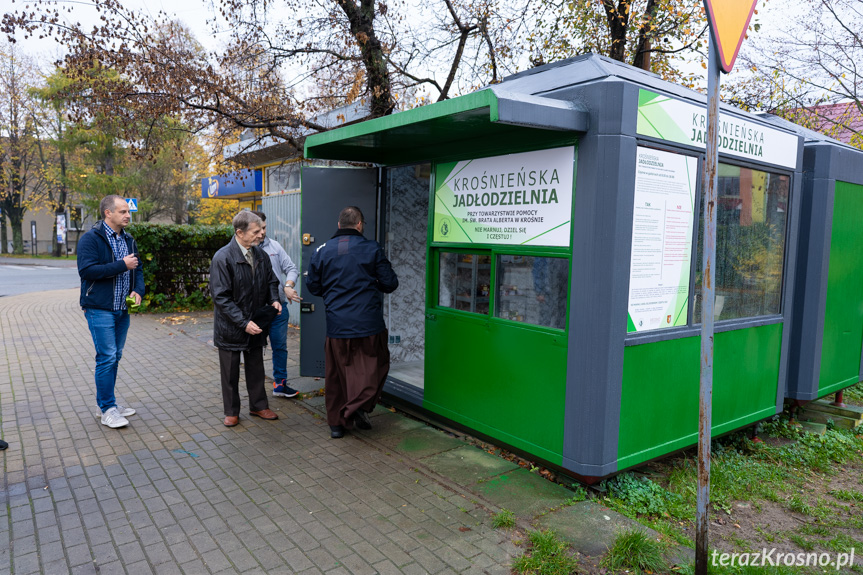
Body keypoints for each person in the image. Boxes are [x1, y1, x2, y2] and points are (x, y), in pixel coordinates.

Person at [305, 206, 399, 438]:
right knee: (375, 368)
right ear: (359, 224)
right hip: (368, 325)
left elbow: (313, 286)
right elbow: (390, 283)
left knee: (337, 375)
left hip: (337, 326)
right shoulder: (371, 248)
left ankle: (337, 425)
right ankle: (354, 410)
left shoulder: (321, 251)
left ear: (339, 225)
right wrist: (372, 282)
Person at [77, 195, 145, 429]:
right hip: (99, 308)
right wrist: (121, 266)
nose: (128, 215)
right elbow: (87, 271)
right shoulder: (91, 239)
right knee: (106, 357)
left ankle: (107, 403)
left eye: (128, 212)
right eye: (123, 211)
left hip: (121, 309)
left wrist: (138, 290)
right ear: (108, 213)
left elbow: (139, 268)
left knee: (115, 356)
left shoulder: (129, 239)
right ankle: (107, 409)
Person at [209, 211, 282, 427]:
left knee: (256, 368)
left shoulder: (261, 254)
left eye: (261, 230)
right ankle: (231, 411)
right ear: (240, 232)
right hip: (231, 327)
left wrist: (275, 299)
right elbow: (220, 297)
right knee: (230, 373)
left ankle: (259, 406)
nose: (261, 234)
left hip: (256, 322)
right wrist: (243, 323)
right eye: (256, 231)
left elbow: (271, 281)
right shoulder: (222, 258)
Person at [251, 211, 302, 398]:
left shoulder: (275, 246)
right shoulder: (245, 250)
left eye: (264, 227)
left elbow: (291, 268)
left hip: (278, 308)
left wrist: (288, 286)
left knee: (279, 347)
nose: (263, 232)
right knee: (255, 349)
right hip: (255, 311)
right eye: (259, 229)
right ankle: (255, 390)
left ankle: (280, 384)